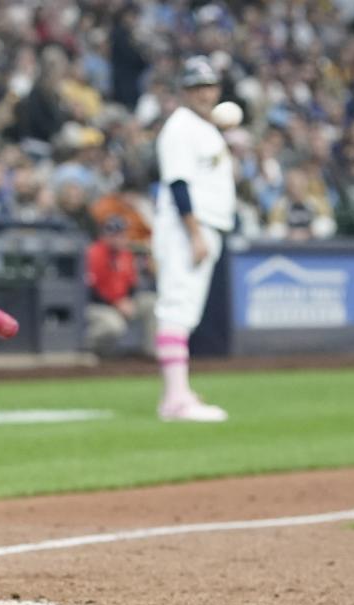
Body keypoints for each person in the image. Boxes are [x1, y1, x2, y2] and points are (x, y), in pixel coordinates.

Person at [152, 56, 233, 422]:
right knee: (177, 308)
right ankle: (175, 400)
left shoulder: (206, 128)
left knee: (186, 311)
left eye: (209, 85)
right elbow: (179, 183)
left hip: (205, 227)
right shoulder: (181, 126)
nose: (205, 92)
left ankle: (179, 390)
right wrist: (194, 233)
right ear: (185, 91)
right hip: (187, 229)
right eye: (197, 87)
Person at [84, 217, 155, 356]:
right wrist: (116, 303)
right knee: (114, 325)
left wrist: (128, 300)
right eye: (115, 235)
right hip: (98, 305)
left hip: (121, 303)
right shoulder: (93, 253)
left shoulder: (126, 254)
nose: (120, 239)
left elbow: (131, 284)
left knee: (151, 303)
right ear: (105, 236)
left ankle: (151, 352)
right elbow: (91, 290)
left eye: (122, 234)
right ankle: (84, 349)